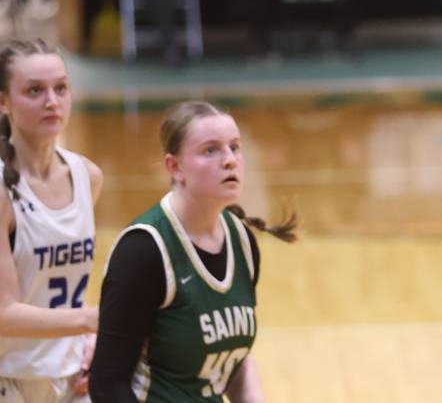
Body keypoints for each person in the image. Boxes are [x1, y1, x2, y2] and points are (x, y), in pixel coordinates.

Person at [89, 100, 298, 402]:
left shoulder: (242, 240)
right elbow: (107, 383)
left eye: (235, 147)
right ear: (175, 167)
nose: (229, 160)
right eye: (210, 150)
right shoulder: (143, 251)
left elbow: (234, 363)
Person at [0, 38, 103, 402]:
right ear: (3, 101)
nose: (52, 101)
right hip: (10, 379)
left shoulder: (87, 176)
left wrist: (90, 340)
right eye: (34, 90)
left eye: (61, 88)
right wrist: (93, 321)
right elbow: (5, 313)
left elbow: (67, 281)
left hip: (72, 377)